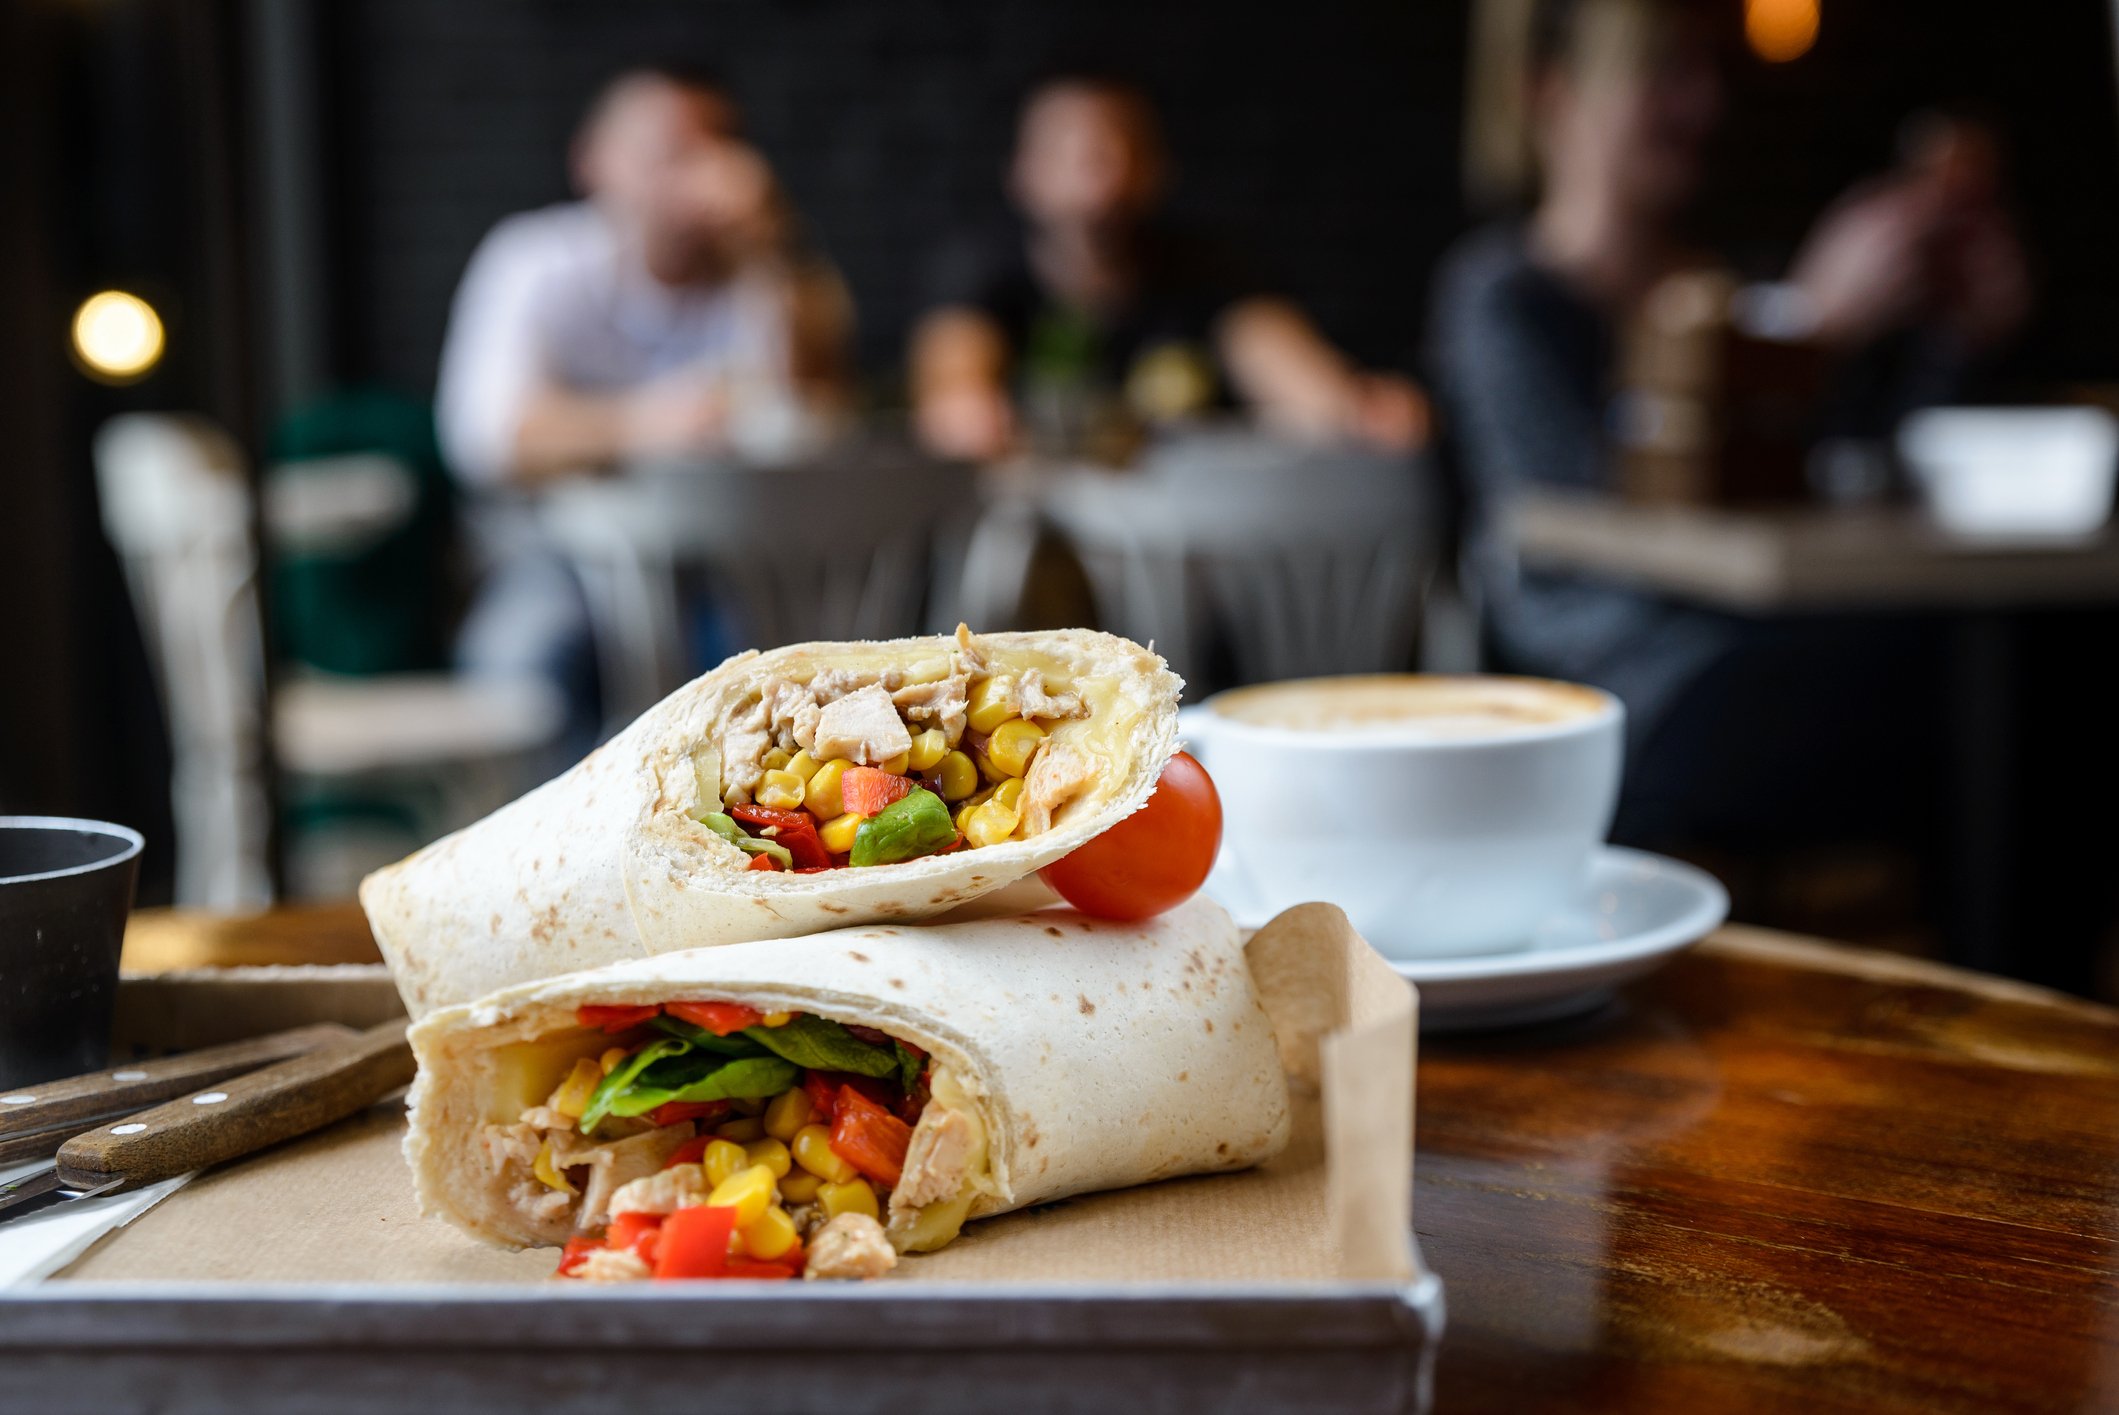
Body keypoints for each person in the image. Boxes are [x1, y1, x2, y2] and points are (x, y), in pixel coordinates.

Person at [1429, 0, 2034, 957]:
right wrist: (1801, 329)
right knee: (1978, 685)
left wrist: (1956, 342)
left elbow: (1847, 477)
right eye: (1660, 71)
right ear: (1551, 91)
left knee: (2015, 662)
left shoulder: (1722, 291)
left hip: (1764, 653)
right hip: (1618, 690)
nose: (1702, 101)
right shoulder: (1506, 298)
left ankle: (2019, 996)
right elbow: (1598, 523)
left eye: (1701, 71)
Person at [436, 66, 852, 743]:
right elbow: (488, 437)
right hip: (558, 552)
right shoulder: (536, 261)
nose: (695, 172)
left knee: (796, 670)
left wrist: (774, 240)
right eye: (668, 150)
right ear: (592, 160)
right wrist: (645, 424)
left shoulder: (754, 272)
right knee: (523, 656)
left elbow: (815, 411)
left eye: (715, 148)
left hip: (724, 559)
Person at [911, 73, 1426, 462]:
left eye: (1122, 150)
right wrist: (960, 404)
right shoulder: (984, 274)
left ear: (1155, 170)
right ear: (1024, 173)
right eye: (1075, 154)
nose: (1103, 180)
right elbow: (955, 365)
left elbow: (1274, 352)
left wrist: (1350, 407)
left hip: (1180, 544)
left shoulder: (1205, 271)